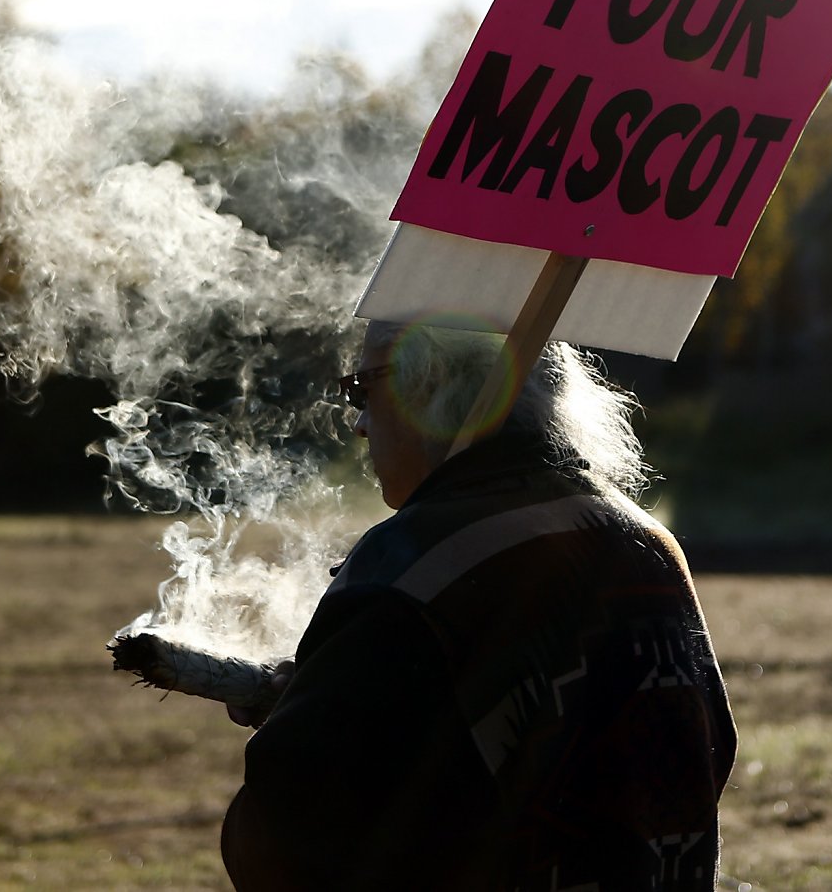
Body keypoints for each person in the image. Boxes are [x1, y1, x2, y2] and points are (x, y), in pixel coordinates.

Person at [221, 319, 737, 890]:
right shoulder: (642, 538)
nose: (361, 424)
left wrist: (301, 726)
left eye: (364, 389)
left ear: (432, 388)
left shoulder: (413, 560)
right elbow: (704, 750)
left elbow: (287, 841)